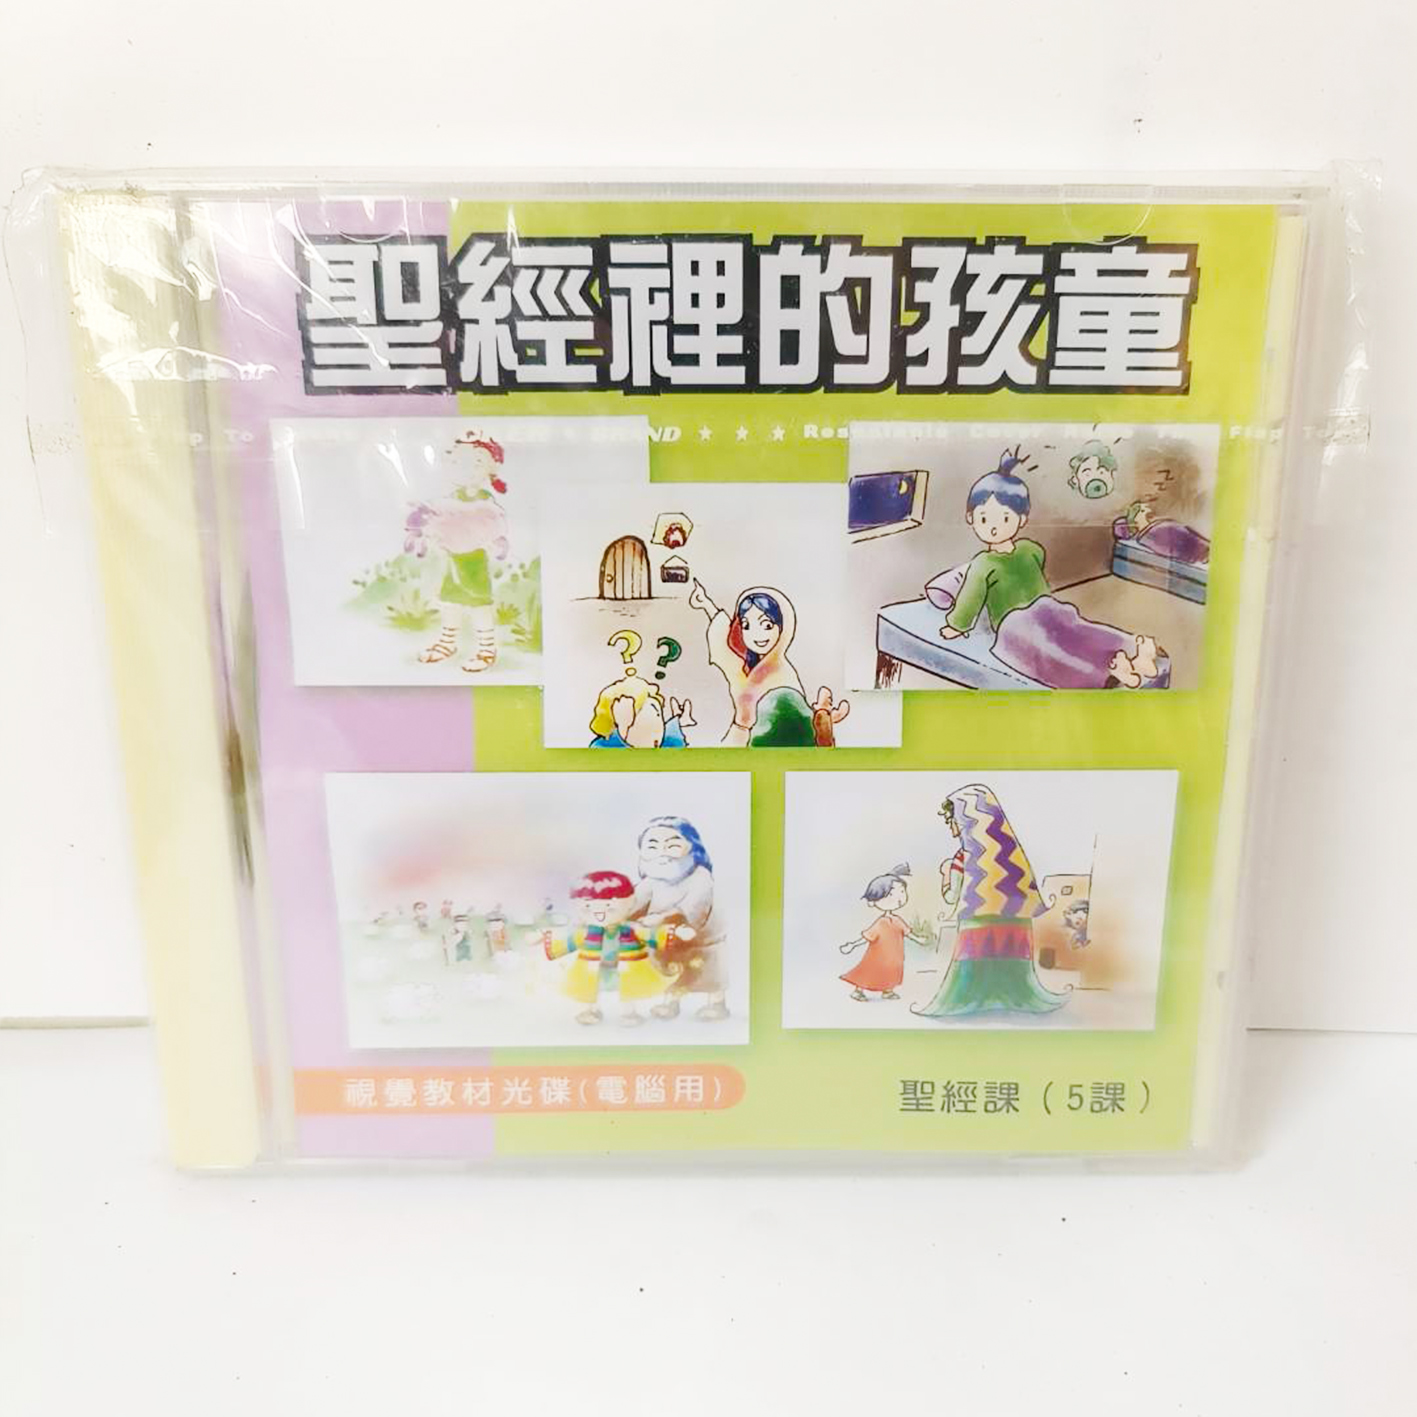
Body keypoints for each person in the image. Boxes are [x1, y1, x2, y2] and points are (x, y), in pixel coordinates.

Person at [937, 450, 1164, 689]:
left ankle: (1110, 670)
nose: (993, 528)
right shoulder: (1031, 549)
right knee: (1079, 633)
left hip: (1017, 622)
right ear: (971, 518)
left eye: (1003, 519)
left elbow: (969, 601)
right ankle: (1133, 647)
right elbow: (1036, 572)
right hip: (1047, 608)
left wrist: (956, 626)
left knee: (1055, 650)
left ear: (1021, 520)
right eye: (985, 519)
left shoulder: (984, 563)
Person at [914, 787, 1071, 1018]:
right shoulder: (1014, 859)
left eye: (952, 820)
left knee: (972, 971)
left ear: (965, 819)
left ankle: (973, 1000)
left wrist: (946, 876)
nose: (952, 828)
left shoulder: (962, 859)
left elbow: (951, 897)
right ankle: (1010, 997)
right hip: (1016, 928)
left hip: (976, 928)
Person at [407, 432, 509, 674]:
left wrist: (494, 541)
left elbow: (491, 525)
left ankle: (487, 649)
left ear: (491, 468)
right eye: (459, 462)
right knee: (450, 602)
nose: (468, 469)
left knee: (479, 604)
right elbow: (438, 520)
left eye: (477, 463)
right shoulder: (450, 499)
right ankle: (447, 643)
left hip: (474, 561)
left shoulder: (485, 502)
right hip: (454, 559)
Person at [542, 871, 690, 1027]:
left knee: (629, 990)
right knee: (588, 989)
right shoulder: (585, 933)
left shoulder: (632, 929)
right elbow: (568, 941)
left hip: (626, 969)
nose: (599, 912)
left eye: (609, 906)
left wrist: (676, 932)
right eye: (588, 906)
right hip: (595, 969)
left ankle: (629, 1013)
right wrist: (542, 936)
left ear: (630, 902)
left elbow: (651, 934)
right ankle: (590, 1010)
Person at [689, 580, 818, 745]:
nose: (757, 634)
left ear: (783, 627)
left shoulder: (783, 675)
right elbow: (726, 641)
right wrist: (706, 604)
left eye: (767, 625)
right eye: (747, 626)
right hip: (737, 740)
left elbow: (796, 723)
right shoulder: (746, 667)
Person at [630, 817, 729, 1021]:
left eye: (672, 845)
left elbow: (695, 906)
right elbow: (634, 901)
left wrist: (661, 917)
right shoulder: (653, 879)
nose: (662, 853)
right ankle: (670, 1003)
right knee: (671, 967)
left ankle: (717, 1003)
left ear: (692, 847)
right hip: (670, 937)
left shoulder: (701, 876)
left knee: (709, 970)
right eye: (653, 846)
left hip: (702, 936)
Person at [839, 864, 929, 1002]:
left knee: (892, 971)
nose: (899, 898)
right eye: (891, 894)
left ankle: (888, 990)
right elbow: (867, 937)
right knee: (870, 971)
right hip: (877, 957)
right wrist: (852, 945)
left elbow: (908, 933)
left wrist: (919, 940)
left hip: (895, 956)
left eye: (902, 892)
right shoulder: (880, 923)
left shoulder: (897, 920)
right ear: (873, 901)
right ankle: (858, 990)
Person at [587, 675, 693, 748]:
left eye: (658, 714)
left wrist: (677, 721)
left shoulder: (666, 742)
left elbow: (671, 739)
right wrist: (623, 727)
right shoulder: (605, 745)